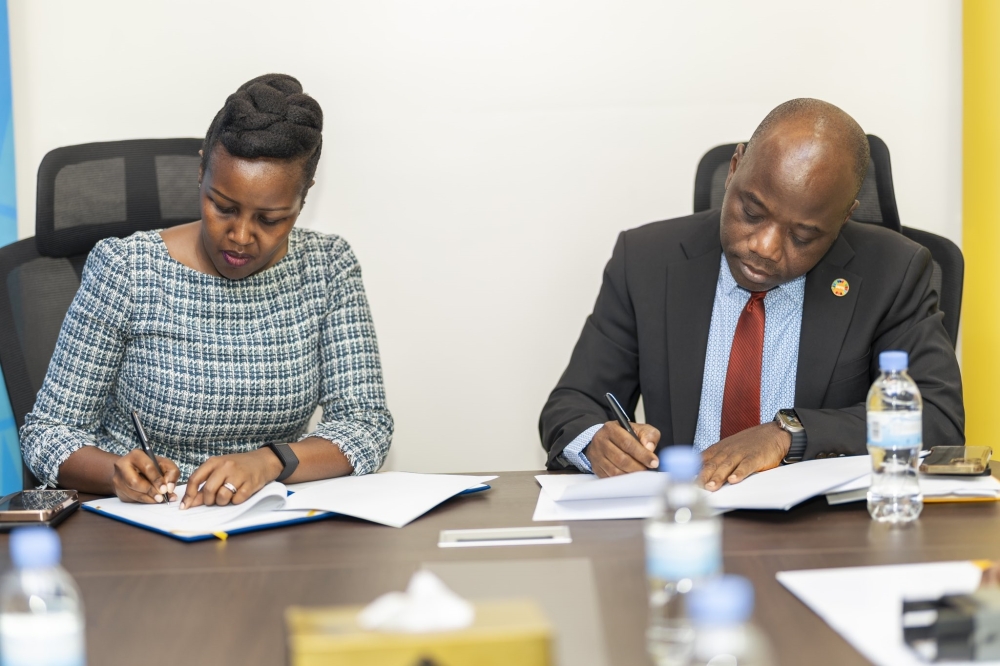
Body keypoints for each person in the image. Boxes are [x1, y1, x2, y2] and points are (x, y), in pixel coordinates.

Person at [539, 98, 964, 489]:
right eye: (752, 213)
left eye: (804, 235)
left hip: (821, 533)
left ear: (844, 218)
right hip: (686, 516)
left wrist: (787, 434)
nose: (765, 247)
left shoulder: (893, 271)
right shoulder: (647, 260)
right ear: (735, 167)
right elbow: (575, 401)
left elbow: (937, 416)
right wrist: (598, 442)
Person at [20, 74, 393, 509]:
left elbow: (366, 424)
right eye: (223, 207)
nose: (239, 236)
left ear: (302, 199)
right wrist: (115, 472)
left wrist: (270, 461)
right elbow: (48, 430)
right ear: (201, 171)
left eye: (269, 219)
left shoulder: (328, 268)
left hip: (270, 523)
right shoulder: (127, 269)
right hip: (146, 526)